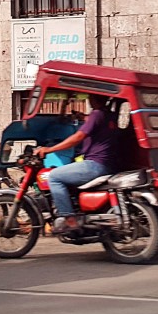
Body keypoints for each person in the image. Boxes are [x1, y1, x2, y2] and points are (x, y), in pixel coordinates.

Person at [33, 94, 118, 232]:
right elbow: (94, 122)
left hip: (94, 164)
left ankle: (70, 220)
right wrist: (82, 117)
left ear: (93, 99)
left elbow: (78, 137)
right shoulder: (108, 115)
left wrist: (49, 149)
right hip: (107, 164)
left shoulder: (96, 114)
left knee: (54, 177)